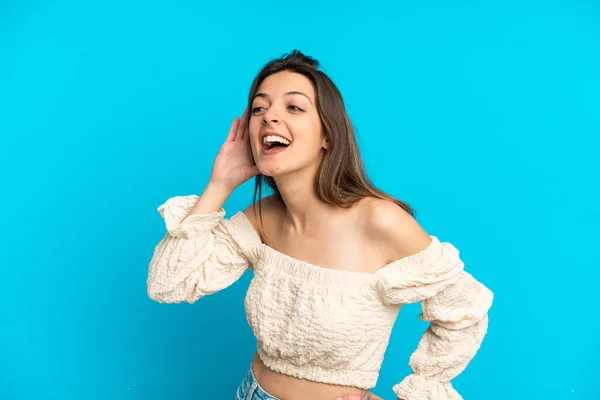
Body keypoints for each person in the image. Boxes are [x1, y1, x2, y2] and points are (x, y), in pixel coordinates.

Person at [146, 50, 494, 400]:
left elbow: (464, 311)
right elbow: (167, 284)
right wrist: (220, 184)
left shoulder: (380, 221)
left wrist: (422, 388)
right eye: (259, 108)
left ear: (328, 135)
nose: (270, 118)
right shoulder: (260, 220)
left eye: (293, 107)